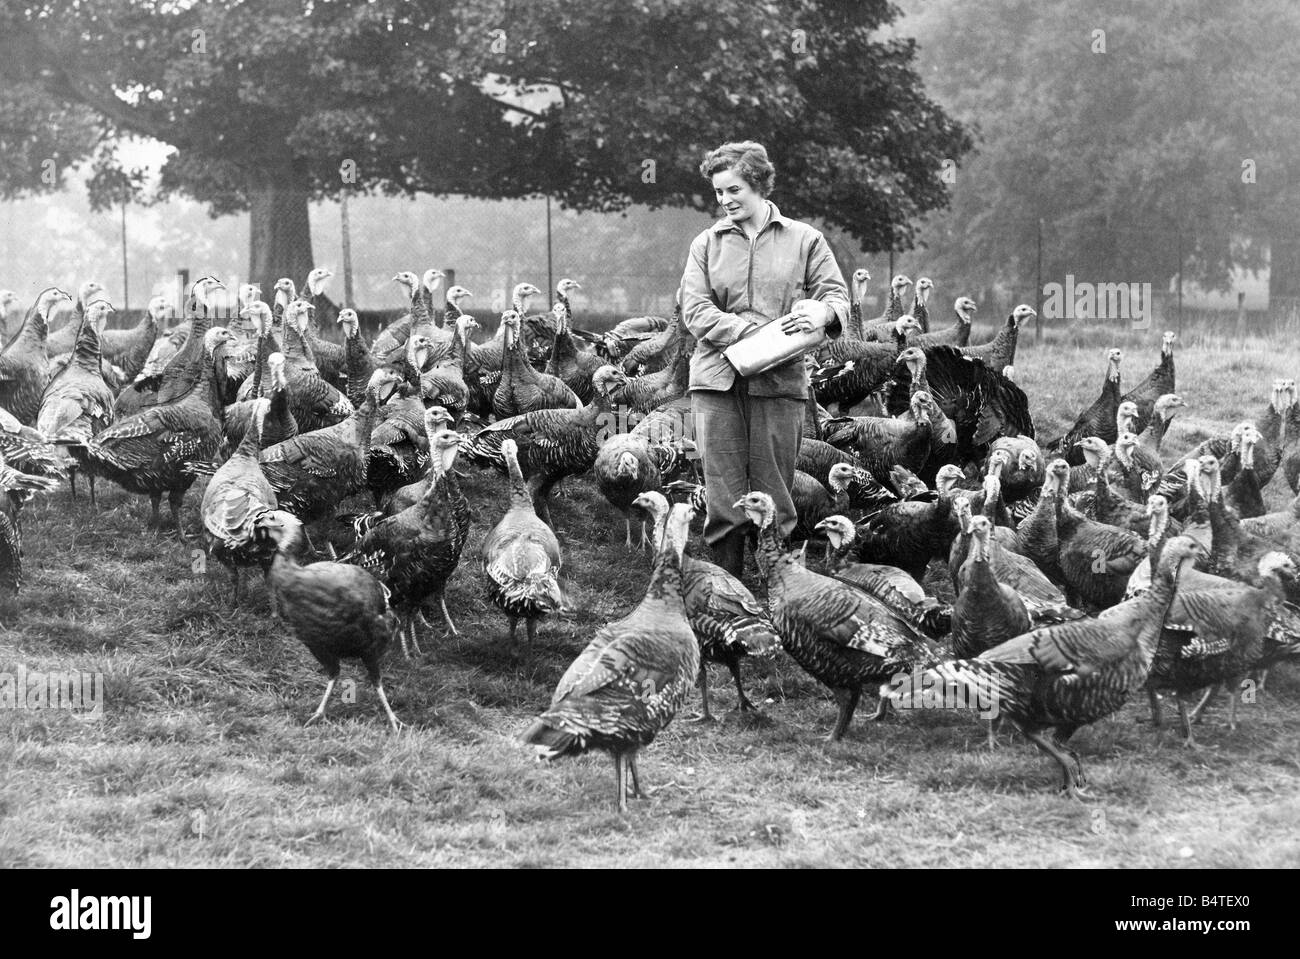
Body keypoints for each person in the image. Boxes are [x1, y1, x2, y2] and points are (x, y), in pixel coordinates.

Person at [679, 141, 850, 578]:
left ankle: (784, 593)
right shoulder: (706, 244)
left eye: (733, 189)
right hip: (716, 383)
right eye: (718, 193)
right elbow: (694, 309)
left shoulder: (804, 239)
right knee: (724, 495)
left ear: (757, 183)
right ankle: (729, 593)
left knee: (776, 493)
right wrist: (750, 333)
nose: (725, 201)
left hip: (780, 381)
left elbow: (836, 295)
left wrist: (823, 311)